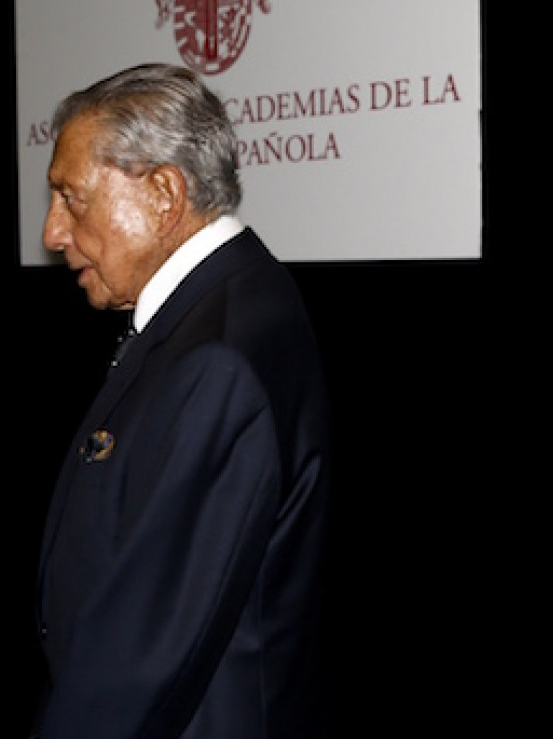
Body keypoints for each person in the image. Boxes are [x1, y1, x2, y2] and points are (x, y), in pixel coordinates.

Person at [32, 63, 332, 738]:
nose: (52, 232)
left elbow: (146, 652)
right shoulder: (233, 301)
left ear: (164, 193)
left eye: (71, 197)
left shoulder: (217, 356)